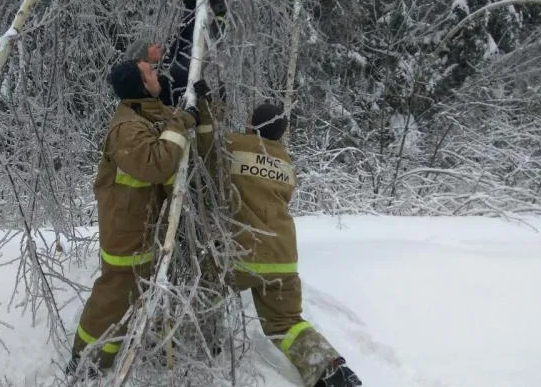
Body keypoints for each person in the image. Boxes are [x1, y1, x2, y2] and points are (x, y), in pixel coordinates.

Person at [65, 58, 203, 376]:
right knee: (115, 293)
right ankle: (85, 362)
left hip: (141, 223)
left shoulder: (147, 112)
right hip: (124, 226)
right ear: (140, 85)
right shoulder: (127, 127)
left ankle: (109, 353)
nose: (157, 73)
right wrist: (182, 123)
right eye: (149, 72)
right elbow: (155, 163)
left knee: (133, 292)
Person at [223, 103, 362, 387]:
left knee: (204, 295)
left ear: (251, 123)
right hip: (282, 255)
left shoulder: (233, 145)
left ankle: (199, 345)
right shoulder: (285, 161)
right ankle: (332, 373)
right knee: (288, 323)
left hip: (240, 252)